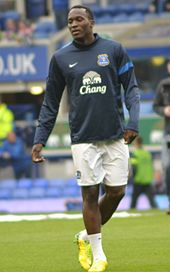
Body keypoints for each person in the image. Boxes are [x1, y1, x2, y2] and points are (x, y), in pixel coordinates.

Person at [31, 5, 140, 272]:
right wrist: (39, 138)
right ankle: (99, 256)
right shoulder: (60, 57)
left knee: (117, 192)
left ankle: (84, 236)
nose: (73, 24)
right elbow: (50, 103)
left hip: (115, 135)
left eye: (79, 19)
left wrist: (133, 122)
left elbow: (132, 88)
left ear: (91, 21)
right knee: (90, 194)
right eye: (69, 21)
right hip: (83, 137)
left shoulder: (114, 50)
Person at [153, 59, 170, 214]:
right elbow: (155, 106)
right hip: (168, 134)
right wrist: (164, 110)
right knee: (168, 167)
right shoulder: (163, 85)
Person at [130, 136, 157, 209]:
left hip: (138, 180)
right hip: (147, 179)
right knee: (152, 201)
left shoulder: (135, 154)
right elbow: (151, 165)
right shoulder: (148, 153)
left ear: (136, 143)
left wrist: (132, 177)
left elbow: (134, 167)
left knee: (134, 201)